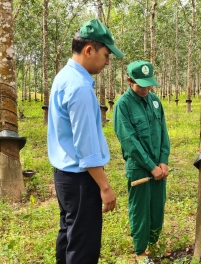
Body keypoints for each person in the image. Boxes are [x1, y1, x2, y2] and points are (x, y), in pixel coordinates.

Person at [47, 18, 124, 264]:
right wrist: (104, 187)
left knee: (69, 236)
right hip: (82, 179)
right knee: (83, 247)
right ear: (89, 50)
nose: (108, 61)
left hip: (64, 175)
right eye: (106, 54)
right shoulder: (79, 87)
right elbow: (86, 147)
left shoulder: (64, 77)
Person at [113, 60, 170, 264]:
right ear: (129, 81)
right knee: (141, 210)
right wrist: (151, 166)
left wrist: (163, 161)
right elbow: (129, 142)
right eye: (141, 85)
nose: (146, 89)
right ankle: (140, 252)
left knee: (157, 207)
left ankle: (153, 244)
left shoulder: (155, 101)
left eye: (149, 84)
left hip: (158, 168)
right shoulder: (123, 105)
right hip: (139, 168)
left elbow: (163, 131)